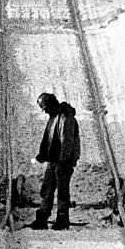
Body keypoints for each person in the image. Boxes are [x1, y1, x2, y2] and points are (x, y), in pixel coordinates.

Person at [29, 93, 81, 231]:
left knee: (62, 191)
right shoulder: (54, 118)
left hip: (63, 161)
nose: (44, 111)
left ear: (52, 105)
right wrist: (42, 155)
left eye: (45, 108)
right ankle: (42, 218)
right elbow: (49, 140)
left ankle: (62, 219)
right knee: (47, 189)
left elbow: (67, 141)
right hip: (54, 160)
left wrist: (64, 160)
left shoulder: (65, 118)